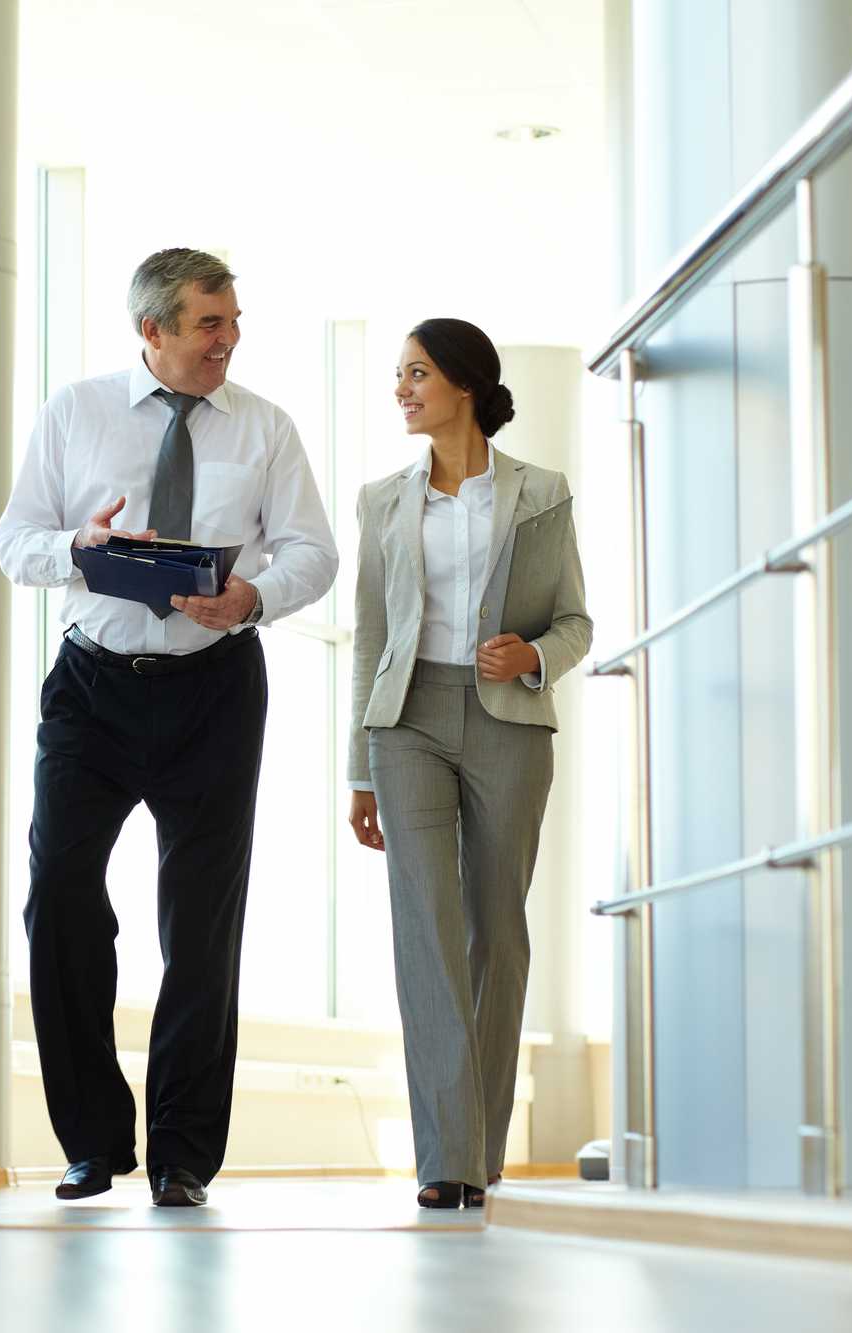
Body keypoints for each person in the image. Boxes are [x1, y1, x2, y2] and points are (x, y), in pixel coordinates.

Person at [0, 247, 339, 1207]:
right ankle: (92, 1140)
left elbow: (315, 550)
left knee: (201, 923)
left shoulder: (264, 427)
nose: (228, 340)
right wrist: (81, 545)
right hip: (92, 689)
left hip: (215, 690)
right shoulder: (76, 412)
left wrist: (253, 596)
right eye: (209, 324)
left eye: (232, 323)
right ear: (152, 330)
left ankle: (183, 1154)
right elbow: (15, 538)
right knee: (59, 893)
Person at [346, 318, 591, 1210]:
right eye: (398, 374)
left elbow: (575, 622)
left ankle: (478, 1145)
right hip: (406, 722)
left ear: (463, 384)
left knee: (498, 930)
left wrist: (528, 656)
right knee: (427, 930)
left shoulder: (542, 493)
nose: (403, 389)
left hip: (508, 727)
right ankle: (445, 1157)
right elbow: (372, 637)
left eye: (417, 374)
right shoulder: (381, 499)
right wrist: (358, 769)